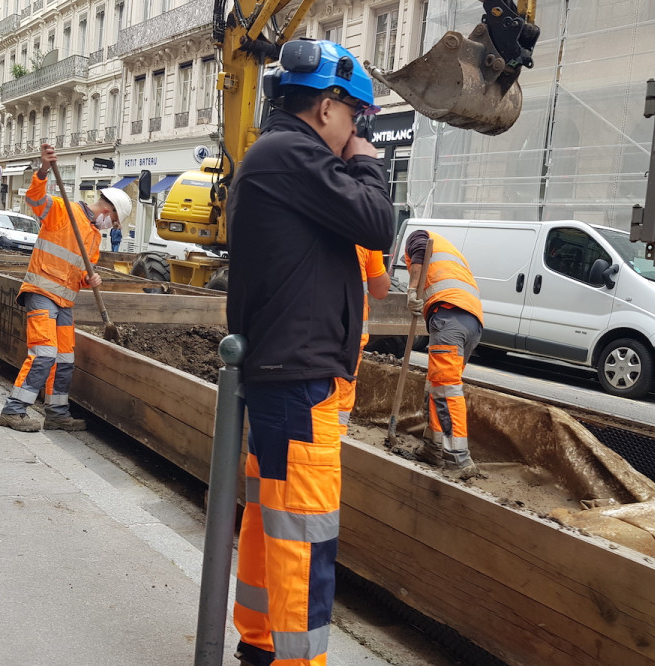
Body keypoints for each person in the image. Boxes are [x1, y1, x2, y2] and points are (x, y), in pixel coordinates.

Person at [226, 39, 395, 666]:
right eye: (355, 119)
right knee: (304, 542)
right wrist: (369, 161)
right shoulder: (293, 155)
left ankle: (261, 646)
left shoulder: (277, 157)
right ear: (327, 107)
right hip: (300, 387)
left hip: (286, 380)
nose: (357, 134)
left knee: (276, 531)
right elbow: (378, 223)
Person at [0, 143, 133, 433]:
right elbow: (35, 199)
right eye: (115, 221)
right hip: (42, 293)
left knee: (64, 359)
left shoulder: (95, 237)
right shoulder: (63, 210)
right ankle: (13, 410)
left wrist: (89, 280)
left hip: (64, 301)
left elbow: (82, 272)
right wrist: (44, 168)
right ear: (108, 210)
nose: (112, 226)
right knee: (44, 353)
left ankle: (57, 413)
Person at [403, 229, 484, 480]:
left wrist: (412, 290)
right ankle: (433, 447)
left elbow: (419, 251)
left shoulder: (418, 236)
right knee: (438, 385)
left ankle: (458, 459)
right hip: (472, 321)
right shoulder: (449, 252)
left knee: (447, 389)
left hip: (449, 315)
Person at [337, 246, 390, 432]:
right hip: (351, 334)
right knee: (339, 402)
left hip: (312, 331)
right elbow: (381, 290)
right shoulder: (366, 236)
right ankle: (337, 442)